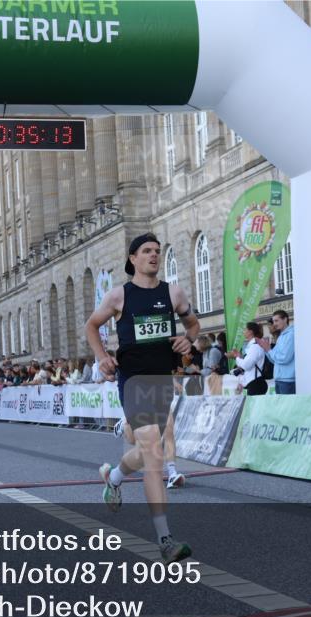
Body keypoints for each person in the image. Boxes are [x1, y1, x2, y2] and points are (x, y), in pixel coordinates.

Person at [86, 232, 199, 563]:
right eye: (147, 251)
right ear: (132, 258)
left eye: (157, 251)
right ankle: (165, 540)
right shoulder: (119, 296)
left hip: (161, 379)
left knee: (146, 450)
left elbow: (193, 324)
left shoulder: (173, 292)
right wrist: (101, 357)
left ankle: (114, 477)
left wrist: (188, 340)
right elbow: (91, 326)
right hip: (133, 380)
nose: (154, 255)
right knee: (154, 452)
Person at [227, 322, 268, 395]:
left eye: (245, 329)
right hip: (254, 383)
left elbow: (246, 366)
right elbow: (248, 367)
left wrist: (236, 357)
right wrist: (239, 356)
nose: (243, 331)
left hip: (256, 384)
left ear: (250, 332)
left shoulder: (255, 346)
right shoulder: (252, 346)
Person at [265, 310, 295, 394]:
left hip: (288, 380)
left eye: (276, 320)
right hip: (280, 379)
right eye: (273, 321)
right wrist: (266, 350)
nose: (274, 324)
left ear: (285, 319)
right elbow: (274, 360)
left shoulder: (291, 334)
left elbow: (284, 358)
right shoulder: (281, 336)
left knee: (287, 407)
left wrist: (268, 350)